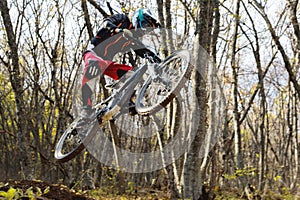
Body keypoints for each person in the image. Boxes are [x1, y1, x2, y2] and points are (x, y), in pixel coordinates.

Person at [80, 8, 161, 120]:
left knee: (133, 74)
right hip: (93, 52)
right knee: (93, 66)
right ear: (139, 19)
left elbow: (141, 50)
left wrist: (153, 57)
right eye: (146, 25)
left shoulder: (133, 38)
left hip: (107, 63)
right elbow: (106, 23)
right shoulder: (123, 19)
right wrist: (119, 31)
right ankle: (86, 109)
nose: (145, 29)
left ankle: (126, 102)